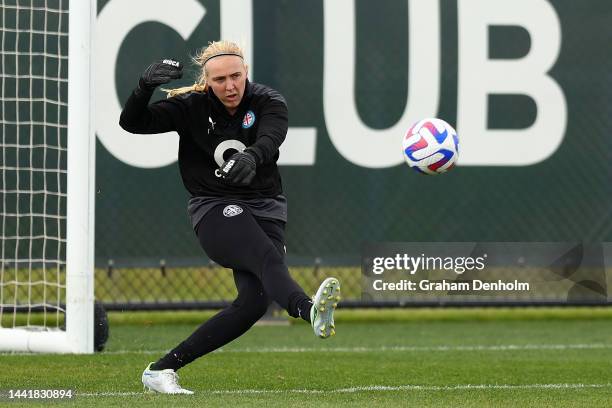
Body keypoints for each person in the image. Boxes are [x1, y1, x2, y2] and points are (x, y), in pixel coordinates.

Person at [119, 40, 341, 395]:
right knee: (266, 257)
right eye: (220, 79)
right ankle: (308, 309)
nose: (230, 85)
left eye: (236, 76)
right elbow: (133, 123)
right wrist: (142, 88)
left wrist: (253, 156)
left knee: (252, 303)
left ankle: (160, 370)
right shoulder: (191, 106)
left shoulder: (268, 101)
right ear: (207, 81)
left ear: (246, 73)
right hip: (213, 208)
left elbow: (272, 137)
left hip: (266, 206)